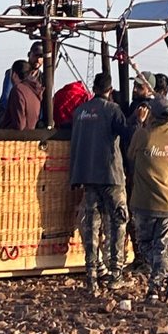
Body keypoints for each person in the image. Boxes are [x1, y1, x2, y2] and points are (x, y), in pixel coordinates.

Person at [68, 72, 129, 297]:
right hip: (111, 174)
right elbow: (127, 132)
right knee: (117, 223)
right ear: (110, 90)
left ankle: (92, 275)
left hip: (87, 176)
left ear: (93, 88)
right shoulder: (112, 110)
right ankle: (116, 273)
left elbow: (75, 144)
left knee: (91, 226)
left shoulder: (80, 112)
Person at [127, 98, 168, 301]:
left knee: (144, 244)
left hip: (144, 201)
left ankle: (156, 286)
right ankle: (163, 279)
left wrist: (140, 123)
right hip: (167, 201)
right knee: (162, 245)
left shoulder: (143, 134)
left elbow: (131, 154)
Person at [0, 57, 41, 132]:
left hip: (17, 140)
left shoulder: (17, 90)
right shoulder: (34, 90)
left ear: (14, 74)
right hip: (32, 136)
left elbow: (19, 125)